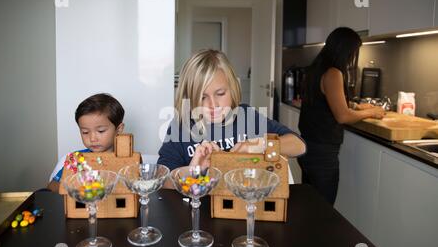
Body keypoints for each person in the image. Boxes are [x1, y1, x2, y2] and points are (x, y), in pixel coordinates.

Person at [157, 49, 306, 180]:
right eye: (202, 97)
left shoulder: (246, 117)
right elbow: (163, 179)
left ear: (233, 88)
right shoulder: (181, 126)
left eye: (220, 93)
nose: (213, 105)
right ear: (189, 97)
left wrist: (257, 145)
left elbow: (299, 145)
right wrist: (192, 171)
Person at [297, 27, 385, 205]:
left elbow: (324, 101)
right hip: (322, 154)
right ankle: (320, 234)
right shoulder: (333, 73)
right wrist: (372, 111)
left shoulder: (316, 68)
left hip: (308, 147)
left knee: (310, 205)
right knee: (324, 209)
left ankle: (308, 233)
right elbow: (342, 116)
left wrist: (356, 106)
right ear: (346, 50)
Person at [47, 93, 125, 192]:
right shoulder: (77, 159)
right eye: (85, 132)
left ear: (118, 129)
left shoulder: (127, 161)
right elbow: (51, 187)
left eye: (101, 131)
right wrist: (78, 185)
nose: (92, 138)